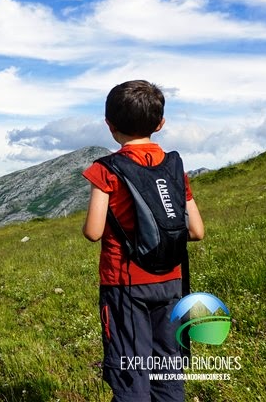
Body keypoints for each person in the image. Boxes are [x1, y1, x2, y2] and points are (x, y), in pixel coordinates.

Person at [82, 80, 205, 402]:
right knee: (167, 365)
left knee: (130, 369)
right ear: (160, 124)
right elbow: (197, 231)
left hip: (124, 283)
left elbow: (93, 231)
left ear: (109, 125)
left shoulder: (105, 170)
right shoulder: (175, 167)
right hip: (172, 281)